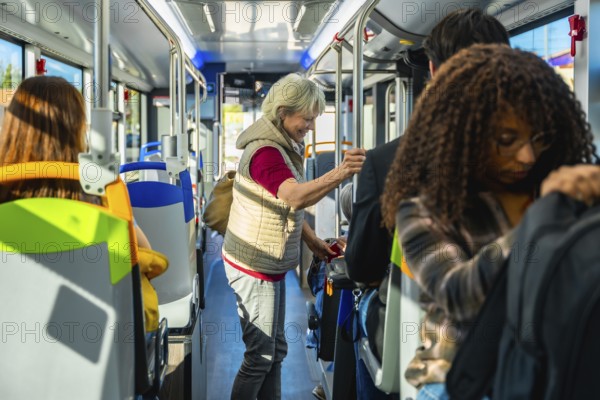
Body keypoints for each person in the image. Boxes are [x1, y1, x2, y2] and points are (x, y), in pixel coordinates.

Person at [381, 44, 600, 400]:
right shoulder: (424, 210)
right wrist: (540, 222)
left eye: (538, 139)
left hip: (545, 364)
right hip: (459, 373)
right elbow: (460, 296)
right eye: (507, 140)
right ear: (467, 136)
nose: (528, 156)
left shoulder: (561, 190)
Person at [345, 8, 510, 399]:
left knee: (358, 312)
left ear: (434, 71)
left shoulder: (388, 162)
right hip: (521, 351)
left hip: (430, 352)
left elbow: (362, 266)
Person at [221, 73, 366, 400]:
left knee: (275, 350)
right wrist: (341, 172)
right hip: (254, 266)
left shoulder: (283, 147)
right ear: (283, 112)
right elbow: (295, 197)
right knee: (260, 356)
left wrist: (317, 245)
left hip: (266, 264)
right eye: (307, 118)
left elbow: (282, 208)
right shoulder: (266, 153)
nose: (311, 127)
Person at [0, 76, 163, 332]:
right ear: (77, 129)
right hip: (102, 343)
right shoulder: (105, 191)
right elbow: (140, 256)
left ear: (12, 126)